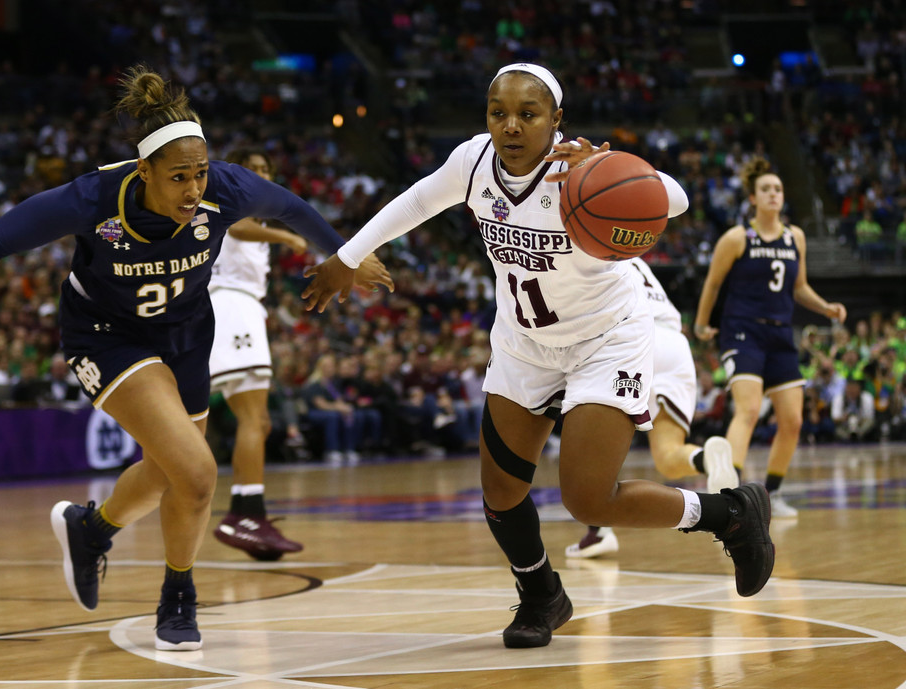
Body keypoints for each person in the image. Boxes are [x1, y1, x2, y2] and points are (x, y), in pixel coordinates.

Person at [302, 62, 774, 650]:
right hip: (526, 343)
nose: (511, 125)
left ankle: (728, 513)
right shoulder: (473, 163)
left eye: (528, 114)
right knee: (500, 493)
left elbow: (673, 200)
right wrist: (346, 256)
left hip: (606, 340)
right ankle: (541, 595)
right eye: (499, 112)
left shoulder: (578, 169)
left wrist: (600, 165)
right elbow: (412, 203)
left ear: (556, 120)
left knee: (587, 498)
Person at [0, 66, 392, 652]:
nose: (193, 189)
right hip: (107, 335)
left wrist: (344, 257)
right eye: (178, 177)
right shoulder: (93, 198)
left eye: (199, 173)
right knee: (197, 471)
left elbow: (295, 211)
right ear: (142, 171)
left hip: (188, 333)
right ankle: (179, 594)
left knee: (175, 474)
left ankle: (92, 530)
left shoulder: (227, 187)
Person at [694, 156, 847, 520]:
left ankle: (772, 493)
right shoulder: (737, 237)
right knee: (747, 409)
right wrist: (701, 325)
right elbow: (713, 284)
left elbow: (800, 287)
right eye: (766, 189)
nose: (774, 194)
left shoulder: (796, 237)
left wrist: (825, 307)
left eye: (778, 189)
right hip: (742, 330)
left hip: (780, 333)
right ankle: (729, 497)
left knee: (792, 421)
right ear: (752, 197)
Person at [566, 257, 738, 559]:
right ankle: (705, 460)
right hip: (674, 344)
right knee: (668, 456)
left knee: (594, 446)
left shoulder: (583, 243)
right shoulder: (631, 251)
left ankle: (598, 531)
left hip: (631, 338)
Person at [208, 147, 308, 561]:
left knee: (258, 419)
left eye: (267, 169)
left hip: (239, 307)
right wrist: (284, 235)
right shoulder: (230, 206)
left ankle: (248, 511)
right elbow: (239, 228)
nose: (263, 175)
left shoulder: (254, 215)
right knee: (253, 417)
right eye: (254, 170)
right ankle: (244, 514)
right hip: (231, 305)